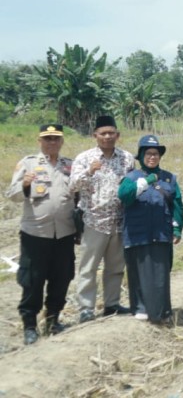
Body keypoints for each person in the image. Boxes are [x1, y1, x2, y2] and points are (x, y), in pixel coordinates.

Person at [5, 124, 76, 344]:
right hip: (35, 233)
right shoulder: (28, 164)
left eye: (56, 139)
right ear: (40, 141)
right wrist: (25, 185)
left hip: (64, 234)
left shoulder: (69, 165)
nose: (52, 142)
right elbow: (12, 195)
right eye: (47, 139)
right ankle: (29, 326)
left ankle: (53, 320)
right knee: (32, 281)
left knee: (61, 278)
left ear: (62, 141)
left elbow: (79, 194)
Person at [71, 115, 135, 323]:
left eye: (111, 133)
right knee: (88, 267)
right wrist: (89, 171)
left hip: (119, 221)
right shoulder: (84, 158)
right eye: (103, 133)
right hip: (93, 221)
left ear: (118, 135)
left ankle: (112, 304)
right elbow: (72, 187)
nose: (107, 137)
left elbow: (133, 186)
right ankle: (86, 308)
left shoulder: (127, 158)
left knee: (116, 267)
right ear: (95, 135)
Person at [118, 135, 183, 324]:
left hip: (162, 233)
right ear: (141, 156)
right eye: (148, 153)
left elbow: (177, 205)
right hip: (137, 234)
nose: (152, 157)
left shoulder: (169, 178)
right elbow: (124, 196)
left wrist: (177, 229)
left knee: (161, 274)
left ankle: (163, 311)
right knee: (138, 272)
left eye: (155, 154)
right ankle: (141, 308)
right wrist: (146, 181)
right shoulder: (131, 177)